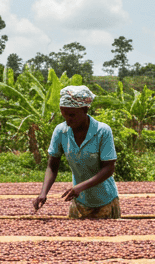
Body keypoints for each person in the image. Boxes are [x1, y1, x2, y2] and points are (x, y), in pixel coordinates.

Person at [32, 85, 121, 218]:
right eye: (64, 114)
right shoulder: (61, 131)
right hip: (79, 201)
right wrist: (43, 193)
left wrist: (80, 187)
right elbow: (52, 166)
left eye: (72, 115)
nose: (68, 119)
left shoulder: (102, 131)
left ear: (85, 109)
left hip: (105, 201)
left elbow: (108, 169)